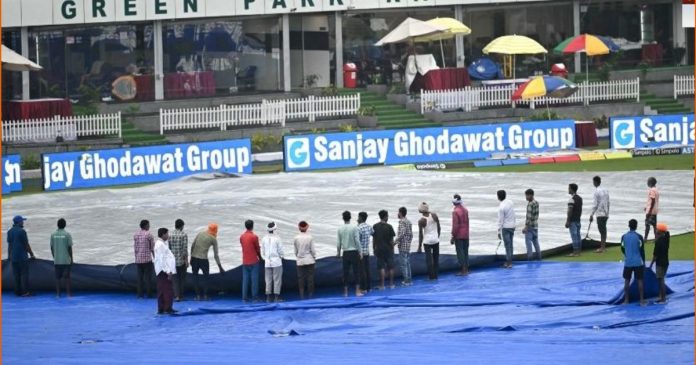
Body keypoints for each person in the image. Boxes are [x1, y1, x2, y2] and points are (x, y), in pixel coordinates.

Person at [190, 223, 225, 301]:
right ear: (216, 230)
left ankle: (198, 296)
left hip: (194, 258)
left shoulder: (200, 233)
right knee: (206, 278)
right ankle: (205, 296)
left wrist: (191, 258)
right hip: (203, 260)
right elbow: (216, 255)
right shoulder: (213, 239)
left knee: (195, 277)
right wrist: (220, 267)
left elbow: (193, 245)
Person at [337, 211, 364, 297]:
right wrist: (360, 251)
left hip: (345, 253)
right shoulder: (354, 227)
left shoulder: (340, 229)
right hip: (354, 252)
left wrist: (338, 253)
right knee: (356, 272)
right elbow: (357, 241)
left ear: (343, 218)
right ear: (350, 217)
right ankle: (357, 291)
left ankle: (345, 292)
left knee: (345, 273)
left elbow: (338, 243)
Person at [7, 215, 35, 297]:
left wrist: (9, 256)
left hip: (13, 257)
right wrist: (32, 254)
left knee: (16, 275)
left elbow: (10, 245)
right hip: (22, 257)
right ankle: (25, 292)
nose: (23, 222)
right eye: (22, 221)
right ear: (19, 222)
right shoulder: (22, 231)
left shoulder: (9, 232)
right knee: (24, 274)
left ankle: (17, 292)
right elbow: (26, 245)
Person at [621, 219, 646, 306]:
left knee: (627, 281)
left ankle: (626, 300)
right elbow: (642, 250)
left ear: (629, 225)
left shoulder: (624, 236)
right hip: (638, 262)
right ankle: (642, 300)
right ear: (636, 226)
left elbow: (622, 248)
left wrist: (627, 255)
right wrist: (644, 262)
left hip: (628, 262)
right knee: (640, 281)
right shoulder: (639, 237)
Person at [153, 228, 177, 314]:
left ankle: (162, 308)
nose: (168, 235)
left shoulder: (161, 243)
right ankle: (167, 308)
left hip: (162, 270)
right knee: (167, 290)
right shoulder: (160, 245)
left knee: (162, 290)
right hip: (163, 271)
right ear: (163, 234)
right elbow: (161, 259)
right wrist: (167, 271)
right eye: (167, 234)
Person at [261, 222, 285, 303]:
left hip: (267, 262)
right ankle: (276, 298)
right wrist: (281, 256)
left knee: (268, 280)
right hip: (277, 262)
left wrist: (266, 258)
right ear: (274, 229)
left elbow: (263, 251)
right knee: (277, 280)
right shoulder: (277, 238)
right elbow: (280, 250)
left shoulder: (264, 238)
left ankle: (268, 298)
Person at [373, 210, 397, 289]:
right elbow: (391, 240)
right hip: (388, 249)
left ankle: (382, 285)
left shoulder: (375, 226)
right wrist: (393, 248)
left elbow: (374, 239)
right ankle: (391, 284)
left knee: (381, 267)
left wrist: (374, 248)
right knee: (390, 267)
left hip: (379, 249)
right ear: (386, 217)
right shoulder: (389, 227)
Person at [50, 218, 73, 298]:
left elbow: (52, 247)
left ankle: (58, 294)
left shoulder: (53, 235)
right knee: (67, 278)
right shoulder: (67, 234)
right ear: (65, 225)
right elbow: (69, 248)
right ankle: (69, 294)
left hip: (57, 260)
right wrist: (71, 259)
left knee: (57, 278)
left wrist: (54, 257)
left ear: (57, 225)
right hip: (66, 260)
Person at [418, 202, 441, 279]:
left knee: (429, 260)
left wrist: (419, 246)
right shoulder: (434, 215)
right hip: (435, 240)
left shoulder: (421, 220)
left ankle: (431, 277)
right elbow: (439, 227)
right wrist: (438, 236)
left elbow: (421, 234)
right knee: (436, 258)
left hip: (427, 241)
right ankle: (436, 275)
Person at [294, 221, 316, 300]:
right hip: (310, 260)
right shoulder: (310, 237)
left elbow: (295, 251)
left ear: (299, 227)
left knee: (301, 279)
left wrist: (299, 256)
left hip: (300, 261)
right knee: (310, 278)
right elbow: (313, 250)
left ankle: (302, 296)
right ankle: (310, 296)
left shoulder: (296, 238)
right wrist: (314, 256)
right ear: (307, 227)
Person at [240, 220, 262, 302]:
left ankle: (244, 298)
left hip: (245, 261)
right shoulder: (254, 237)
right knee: (254, 280)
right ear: (252, 226)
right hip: (253, 261)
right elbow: (257, 249)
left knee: (245, 280)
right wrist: (260, 258)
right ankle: (255, 297)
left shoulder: (242, 237)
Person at [133, 219, 155, 298]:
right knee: (148, 278)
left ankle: (140, 295)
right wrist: (155, 258)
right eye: (148, 225)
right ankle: (149, 294)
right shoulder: (149, 235)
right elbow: (152, 248)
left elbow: (135, 248)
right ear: (145, 226)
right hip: (147, 260)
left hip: (138, 260)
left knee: (140, 278)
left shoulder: (136, 234)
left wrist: (136, 258)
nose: (149, 226)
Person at [650, 223, 670, 304]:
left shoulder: (658, 243)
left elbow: (655, 256)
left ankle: (663, 299)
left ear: (659, 231)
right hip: (666, 262)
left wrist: (651, 265)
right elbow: (666, 233)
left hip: (660, 264)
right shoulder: (666, 239)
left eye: (657, 229)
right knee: (662, 279)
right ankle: (661, 296)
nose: (656, 230)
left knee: (661, 280)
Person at [168, 219, 188, 301]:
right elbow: (184, 249)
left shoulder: (170, 235)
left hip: (173, 261)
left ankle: (176, 296)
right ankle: (181, 295)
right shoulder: (183, 234)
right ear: (181, 226)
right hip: (181, 261)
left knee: (175, 279)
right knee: (182, 279)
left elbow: (169, 248)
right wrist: (186, 260)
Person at [589, 176, 610, 253]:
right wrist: (607, 212)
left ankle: (602, 247)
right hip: (605, 213)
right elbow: (608, 202)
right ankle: (603, 246)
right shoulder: (605, 191)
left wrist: (591, 214)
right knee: (604, 230)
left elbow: (595, 204)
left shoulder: (596, 192)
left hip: (600, 213)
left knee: (601, 230)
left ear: (595, 182)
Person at [451, 194, 470, 275]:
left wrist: (453, 236)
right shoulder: (465, 210)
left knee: (460, 252)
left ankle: (463, 270)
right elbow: (467, 223)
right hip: (466, 234)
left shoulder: (455, 212)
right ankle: (467, 269)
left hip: (459, 235)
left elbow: (455, 225)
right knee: (465, 252)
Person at [395, 207, 413, 286]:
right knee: (408, 263)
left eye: (398, 212)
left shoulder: (401, 222)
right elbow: (411, 234)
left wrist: (395, 242)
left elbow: (402, 233)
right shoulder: (408, 221)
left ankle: (406, 281)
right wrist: (409, 242)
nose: (397, 214)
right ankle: (409, 279)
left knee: (403, 264)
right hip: (408, 245)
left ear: (401, 213)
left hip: (402, 245)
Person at [497, 191, 516, 268]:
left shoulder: (501, 207)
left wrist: (498, 231)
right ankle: (510, 260)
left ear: (498, 197)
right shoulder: (510, 202)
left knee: (507, 245)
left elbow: (500, 220)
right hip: (512, 226)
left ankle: (509, 262)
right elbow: (513, 214)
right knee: (511, 244)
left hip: (506, 227)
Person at [357, 212, 374, 293]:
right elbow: (373, 233)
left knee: (361, 271)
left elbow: (357, 241)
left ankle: (363, 288)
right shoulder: (369, 227)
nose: (357, 218)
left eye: (358, 217)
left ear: (360, 218)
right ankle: (369, 287)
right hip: (367, 251)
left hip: (361, 252)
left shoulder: (358, 228)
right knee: (367, 270)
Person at [565, 184, 583, 257]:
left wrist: (568, 221)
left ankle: (575, 252)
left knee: (574, 236)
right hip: (578, 220)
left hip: (573, 220)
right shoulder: (580, 198)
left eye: (569, 188)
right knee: (578, 235)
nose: (568, 189)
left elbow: (570, 211)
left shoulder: (571, 199)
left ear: (572, 189)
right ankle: (579, 251)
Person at [522, 189, 541, 261]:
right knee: (536, 242)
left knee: (528, 242)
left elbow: (529, 217)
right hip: (535, 225)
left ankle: (530, 258)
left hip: (530, 227)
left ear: (530, 195)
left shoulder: (530, 204)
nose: (526, 197)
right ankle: (539, 257)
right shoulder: (536, 202)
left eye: (526, 195)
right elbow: (536, 215)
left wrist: (526, 227)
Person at [644, 177, 660, 242]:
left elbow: (652, 200)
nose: (647, 183)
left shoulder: (652, 190)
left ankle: (645, 238)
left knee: (647, 224)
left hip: (651, 211)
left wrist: (649, 210)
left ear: (650, 183)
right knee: (654, 225)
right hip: (655, 210)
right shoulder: (656, 190)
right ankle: (656, 238)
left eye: (648, 181)